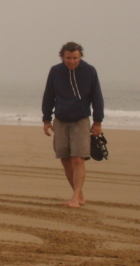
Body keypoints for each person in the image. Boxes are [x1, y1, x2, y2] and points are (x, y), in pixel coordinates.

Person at [42, 42, 104, 207]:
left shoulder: (89, 71)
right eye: (68, 58)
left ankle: (75, 197)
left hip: (81, 120)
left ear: (80, 56)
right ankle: (79, 195)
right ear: (62, 57)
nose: (72, 61)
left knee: (78, 159)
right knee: (65, 159)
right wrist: (46, 120)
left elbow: (97, 97)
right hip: (60, 120)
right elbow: (49, 96)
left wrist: (98, 121)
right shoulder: (55, 71)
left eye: (75, 58)